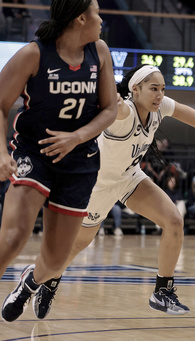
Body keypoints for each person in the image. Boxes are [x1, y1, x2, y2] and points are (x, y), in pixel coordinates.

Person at [31, 64, 195, 319]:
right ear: (135, 90)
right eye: (153, 89)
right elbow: (112, 108)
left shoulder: (161, 107)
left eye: (162, 88)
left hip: (129, 178)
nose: (159, 94)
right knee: (78, 244)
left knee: (174, 220)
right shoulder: (124, 110)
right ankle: (51, 280)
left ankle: (162, 292)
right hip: (98, 184)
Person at [0, 0, 118, 323]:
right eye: (97, 12)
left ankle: (30, 282)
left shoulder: (100, 52)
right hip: (35, 153)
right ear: (81, 17)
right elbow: (0, 103)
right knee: (11, 239)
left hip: (80, 161)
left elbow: (110, 109)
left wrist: (77, 137)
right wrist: (1, 152)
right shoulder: (34, 54)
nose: (101, 19)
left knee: (55, 261)